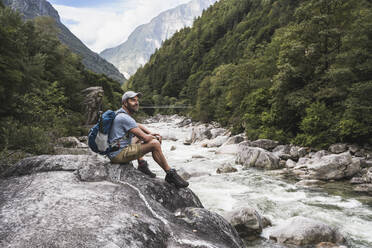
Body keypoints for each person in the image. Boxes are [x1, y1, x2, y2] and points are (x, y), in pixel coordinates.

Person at [107, 91, 189, 188]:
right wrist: (155, 137)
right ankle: (170, 173)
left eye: (137, 100)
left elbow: (137, 125)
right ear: (125, 103)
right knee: (154, 144)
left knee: (139, 136)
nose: (136, 102)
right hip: (118, 155)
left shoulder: (120, 113)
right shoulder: (124, 118)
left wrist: (150, 133)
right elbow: (145, 138)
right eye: (133, 100)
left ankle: (142, 165)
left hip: (114, 150)